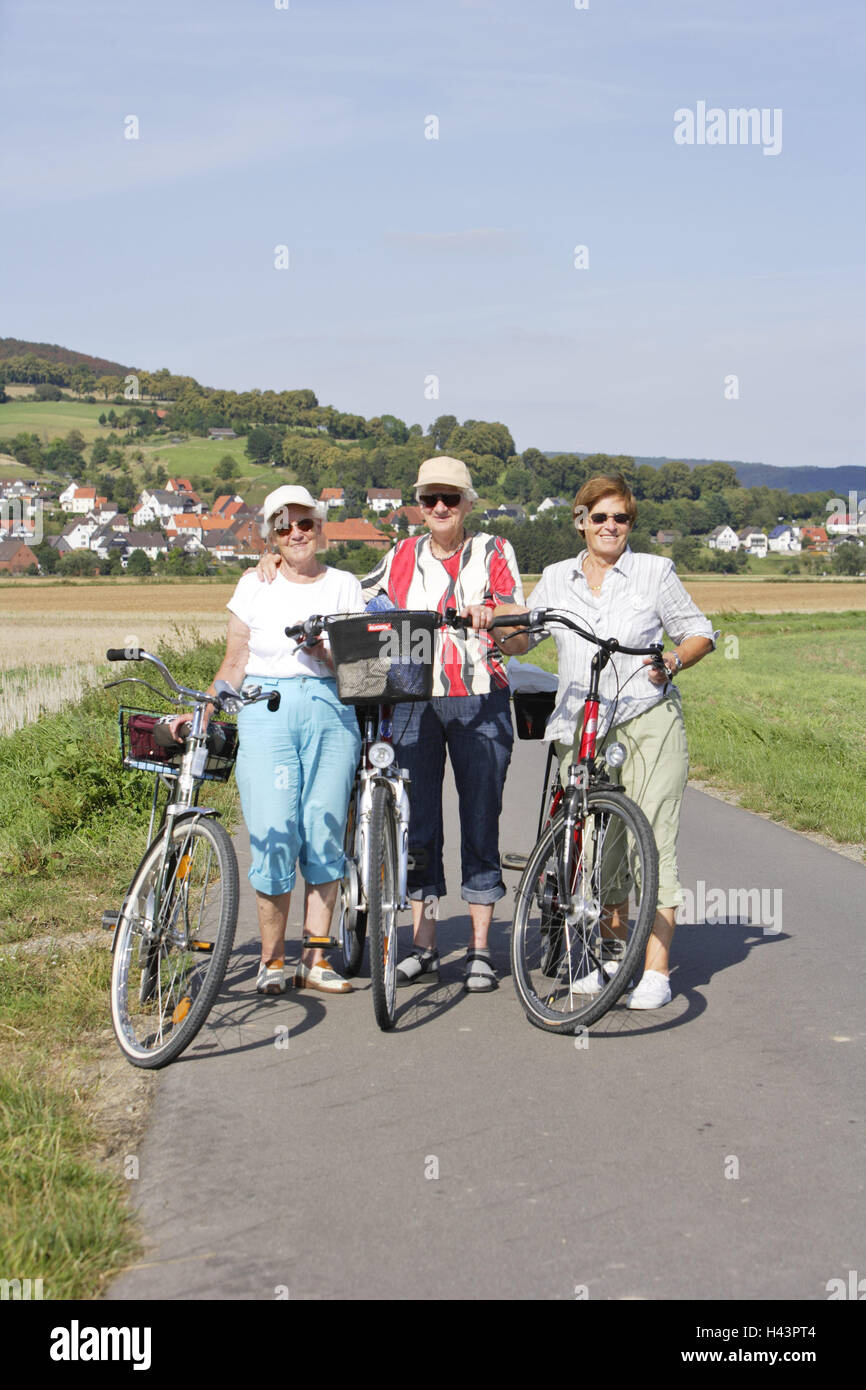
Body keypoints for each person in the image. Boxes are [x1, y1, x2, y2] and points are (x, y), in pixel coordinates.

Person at [256, 456, 525, 992]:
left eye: (450, 498)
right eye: (430, 500)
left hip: (479, 696)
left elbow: (517, 627)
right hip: (411, 699)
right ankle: (425, 946)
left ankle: (478, 949)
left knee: (480, 818)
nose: (441, 508)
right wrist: (275, 563)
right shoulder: (400, 555)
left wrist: (497, 616)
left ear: (468, 502)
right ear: (419, 507)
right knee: (417, 824)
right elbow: (339, 592)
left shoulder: (494, 551)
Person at [496, 474, 715, 1009]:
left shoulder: (653, 571)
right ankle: (613, 959)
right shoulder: (555, 577)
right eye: (599, 517)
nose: (610, 526)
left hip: (646, 718)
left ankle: (657, 973)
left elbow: (699, 632)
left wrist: (672, 660)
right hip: (581, 723)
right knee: (599, 852)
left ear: (630, 524)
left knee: (653, 841)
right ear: (581, 522)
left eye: (620, 518)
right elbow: (525, 636)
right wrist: (501, 620)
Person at [171, 485, 363, 996]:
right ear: (271, 534)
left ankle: (316, 959)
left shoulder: (345, 585)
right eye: (284, 526)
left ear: (320, 528)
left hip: (330, 710)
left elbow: (358, 666)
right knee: (275, 833)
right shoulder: (254, 583)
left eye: (305, 524)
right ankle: (272, 961)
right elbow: (234, 661)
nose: (296, 534)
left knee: (323, 833)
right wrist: (202, 708)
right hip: (265, 709)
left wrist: (326, 655)